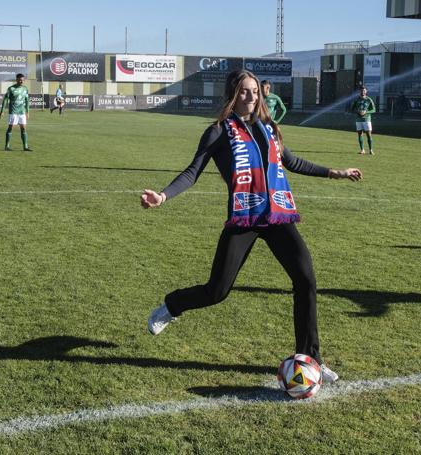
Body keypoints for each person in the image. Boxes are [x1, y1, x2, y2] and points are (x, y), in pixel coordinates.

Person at [140, 69, 362, 384]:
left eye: (255, 91)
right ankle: (173, 304)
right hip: (245, 218)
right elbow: (193, 171)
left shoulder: (270, 128)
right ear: (233, 94)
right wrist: (163, 196)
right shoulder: (218, 131)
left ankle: (311, 357)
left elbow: (292, 162)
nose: (251, 97)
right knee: (217, 291)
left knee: (306, 280)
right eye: (244, 91)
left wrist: (335, 173)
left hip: (279, 217)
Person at [0, 73, 32, 152]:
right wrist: (2, 111)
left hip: (22, 112)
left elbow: (27, 101)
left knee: (23, 128)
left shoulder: (25, 89)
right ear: (16, 80)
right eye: (20, 80)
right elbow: (5, 100)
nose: (21, 81)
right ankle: (7, 146)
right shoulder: (11, 89)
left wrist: (27, 112)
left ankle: (25, 147)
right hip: (13, 112)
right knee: (10, 128)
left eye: (23, 80)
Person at [350, 86, 376, 155]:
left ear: (366, 91)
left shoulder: (369, 100)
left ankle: (370, 150)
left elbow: (374, 110)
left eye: (364, 90)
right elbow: (352, 109)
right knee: (360, 134)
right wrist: (357, 111)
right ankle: (362, 150)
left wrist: (365, 112)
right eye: (361, 90)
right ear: (360, 91)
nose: (362, 92)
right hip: (358, 119)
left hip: (367, 120)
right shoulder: (356, 100)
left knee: (368, 134)